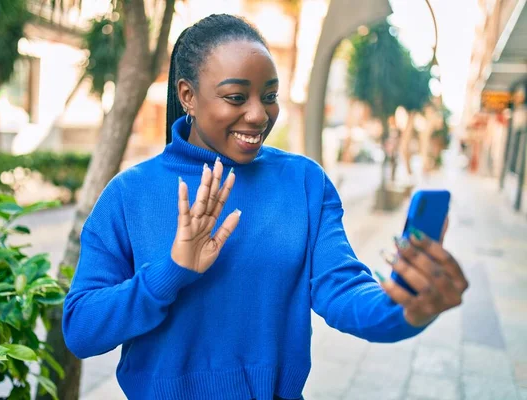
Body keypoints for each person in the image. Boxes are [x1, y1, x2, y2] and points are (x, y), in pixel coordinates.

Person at [62, 14, 468, 400]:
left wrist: (406, 307)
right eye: (236, 97)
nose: (259, 114)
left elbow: (341, 289)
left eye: (269, 96)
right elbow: (80, 330)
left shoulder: (304, 182)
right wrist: (171, 272)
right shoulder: (128, 194)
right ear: (187, 95)